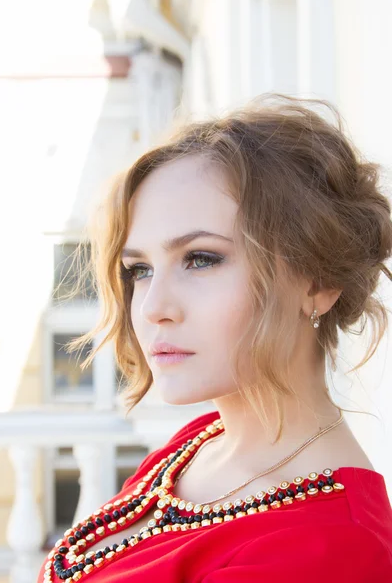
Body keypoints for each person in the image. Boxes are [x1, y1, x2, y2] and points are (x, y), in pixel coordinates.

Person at [39, 93, 392, 582]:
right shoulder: (201, 443)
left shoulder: (328, 548)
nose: (152, 308)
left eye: (201, 259)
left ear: (317, 280)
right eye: (139, 269)